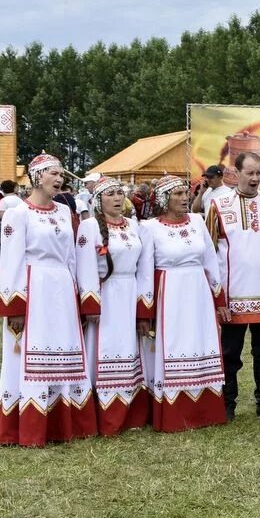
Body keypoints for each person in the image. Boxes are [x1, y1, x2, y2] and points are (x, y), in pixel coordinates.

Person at [0, 153, 98, 446]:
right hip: (33, 286)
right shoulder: (18, 213)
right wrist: (14, 304)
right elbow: (11, 261)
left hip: (61, 287)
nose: (59, 178)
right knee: (29, 352)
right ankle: (28, 424)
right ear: (37, 176)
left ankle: (62, 422)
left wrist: (81, 296)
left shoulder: (65, 213)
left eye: (61, 174)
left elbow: (73, 259)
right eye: (53, 173)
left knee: (63, 349)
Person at [138, 175, 228, 432]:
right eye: (177, 194)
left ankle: (206, 410)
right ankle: (175, 413)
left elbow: (211, 262)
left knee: (201, 344)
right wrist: (145, 311)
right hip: (171, 294)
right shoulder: (150, 227)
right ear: (165, 199)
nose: (185, 197)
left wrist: (218, 298)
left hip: (198, 291)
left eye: (185, 193)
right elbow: (145, 272)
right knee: (175, 347)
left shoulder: (198, 221)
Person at [205, 152, 260, 421]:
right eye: (250, 173)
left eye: (259, 173)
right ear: (236, 173)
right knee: (231, 353)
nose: (255, 178)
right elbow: (209, 247)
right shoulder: (219, 205)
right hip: (233, 294)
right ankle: (228, 403)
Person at [74, 176, 152, 436]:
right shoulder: (89, 227)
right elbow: (84, 267)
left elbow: (143, 268)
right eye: (111, 194)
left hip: (130, 292)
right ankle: (102, 412)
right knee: (105, 348)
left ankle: (132, 411)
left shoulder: (134, 225)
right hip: (106, 295)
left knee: (130, 348)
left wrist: (144, 306)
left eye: (120, 193)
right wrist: (91, 304)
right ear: (98, 201)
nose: (118, 198)